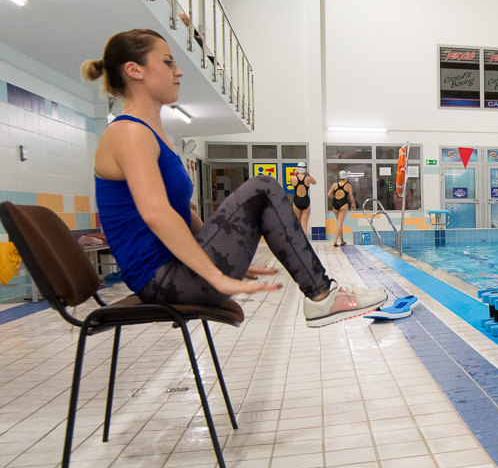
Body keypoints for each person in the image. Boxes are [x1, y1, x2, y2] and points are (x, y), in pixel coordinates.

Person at [83, 29, 384, 327]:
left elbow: (182, 212)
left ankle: (322, 293)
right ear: (135, 70)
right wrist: (216, 275)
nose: (179, 71)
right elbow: (156, 214)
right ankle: (322, 295)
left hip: (176, 273)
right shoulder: (128, 132)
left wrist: (223, 253)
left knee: (262, 190)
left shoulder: (154, 135)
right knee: (262, 187)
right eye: (167, 62)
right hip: (162, 280)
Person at [328, 171, 355, 247]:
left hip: (335, 204)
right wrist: (353, 204)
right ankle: (335, 240)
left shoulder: (334, 185)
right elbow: (351, 197)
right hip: (343, 204)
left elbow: (329, 194)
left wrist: (334, 197)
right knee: (339, 223)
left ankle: (342, 240)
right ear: (346, 178)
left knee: (339, 223)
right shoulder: (348, 186)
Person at [290, 162, 316, 237]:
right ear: (305, 169)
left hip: (297, 201)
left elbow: (291, 182)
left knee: (297, 224)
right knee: (304, 225)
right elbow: (314, 182)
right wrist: (308, 174)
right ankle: (304, 242)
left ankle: (298, 242)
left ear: (297, 169)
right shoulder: (308, 179)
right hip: (306, 201)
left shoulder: (293, 178)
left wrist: (295, 174)